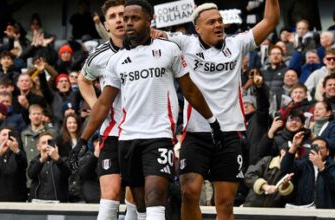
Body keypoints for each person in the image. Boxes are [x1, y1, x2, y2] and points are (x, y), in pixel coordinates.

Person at [71, 1, 222, 219]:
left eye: (135, 18)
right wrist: (83, 140)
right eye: (126, 18)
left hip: (159, 136)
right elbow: (104, 103)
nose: (128, 22)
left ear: (150, 20)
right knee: (140, 204)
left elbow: (189, 90)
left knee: (154, 199)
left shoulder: (169, 49)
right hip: (127, 139)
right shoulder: (116, 60)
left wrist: (212, 120)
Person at [152, 0, 280, 219]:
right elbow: (151, 32)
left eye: (220, 20)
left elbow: (270, 21)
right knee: (189, 192)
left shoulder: (237, 43)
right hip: (195, 133)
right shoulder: (185, 43)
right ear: (198, 28)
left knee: (225, 202)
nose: (218, 25)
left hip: (229, 134)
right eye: (211, 22)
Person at [77, 0, 137, 219]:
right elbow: (83, 79)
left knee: (134, 196)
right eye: (113, 16)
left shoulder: (147, 47)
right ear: (105, 25)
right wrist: (96, 107)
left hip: (140, 131)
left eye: (123, 14)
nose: (119, 20)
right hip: (111, 132)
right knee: (110, 195)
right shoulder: (99, 55)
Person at [281, 135, 335, 208]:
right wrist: (294, 146)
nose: (318, 150)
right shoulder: (303, 164)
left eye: (321, 148)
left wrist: (321, 167)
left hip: (326, 210)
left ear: (328, 152)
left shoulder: (334, 167)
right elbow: (285, 169)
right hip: (304, 209)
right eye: (314, 147)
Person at [0, 126, 27, 202]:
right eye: (4, 134)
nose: (7, 137)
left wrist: (16, 150)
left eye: (9, 135)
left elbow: (24, 164)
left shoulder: (18, 154)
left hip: (18, 200)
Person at [27, 132, 70, 202]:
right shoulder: (35, 161)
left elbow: (67, 173)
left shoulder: (63, 160)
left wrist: (57, 159)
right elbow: (31, 175)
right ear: (38, 147)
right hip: (37, 201)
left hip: (58, 202)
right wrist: (41, 160)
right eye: (44, 143)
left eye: (49, 142)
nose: (47, 145)